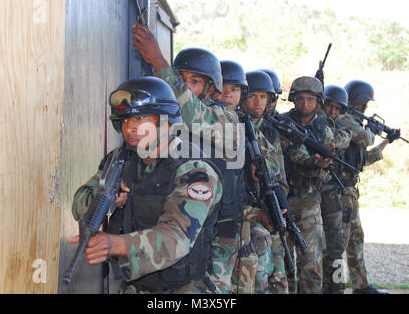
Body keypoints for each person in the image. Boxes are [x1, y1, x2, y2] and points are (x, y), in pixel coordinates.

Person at [69, 77, 223, 294]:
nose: (130, 128)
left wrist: (115, 244)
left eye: (140, 118)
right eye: (124, 121)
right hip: (133, 286)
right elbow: (78, 202)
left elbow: (176, 238)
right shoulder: (122, 159)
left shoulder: (194, 170)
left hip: (184, 289)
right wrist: (104, 200)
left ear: (165, 120)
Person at [132, 25, 246, 294]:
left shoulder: (226, 118)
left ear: (212, 89)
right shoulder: (169, 124)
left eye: (193, 82)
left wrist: (159, 62)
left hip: (218, 236)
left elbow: (196, 117)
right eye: (181, 80)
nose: (184, 88)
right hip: (176, 227)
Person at [231, 70, 288, 294]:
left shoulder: (271, 130)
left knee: (273, 271)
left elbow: (279, 172)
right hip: (242, 209)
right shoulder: (233, 122)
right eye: (253, 96)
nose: (258, 102)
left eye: (263, 97)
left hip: (265, 207)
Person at [279, 76, 335, 294]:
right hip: (281, 203)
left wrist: (319, 165)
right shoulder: (280, 124)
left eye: (310, 99)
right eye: (300, 98)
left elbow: (327, 174)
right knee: (283, 266)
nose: (304, 104)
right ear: (293, 99)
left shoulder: (324, 131)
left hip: (309, 204)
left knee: (311, 265)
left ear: (318, 101)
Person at [336, 80, 390, 294]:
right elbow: (365, 138)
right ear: (357, 102)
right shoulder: (345, 119)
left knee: (356, 238)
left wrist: (386, 142)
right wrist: (373, 130)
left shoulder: (355, 122)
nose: (365, 108)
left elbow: (361, 160)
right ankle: (333, 286)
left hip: (350, 190)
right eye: (364, 103)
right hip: (340, 190)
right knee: (339, 242)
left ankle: (361, 285)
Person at [318, 85, 352, 294]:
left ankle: (336, 288)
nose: (332, 111)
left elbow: (338, 141)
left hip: (330, 191)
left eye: (337, 108)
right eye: (328, 106)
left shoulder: (340, 128)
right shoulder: (308, 123)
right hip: (305, 192)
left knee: (336, 245)